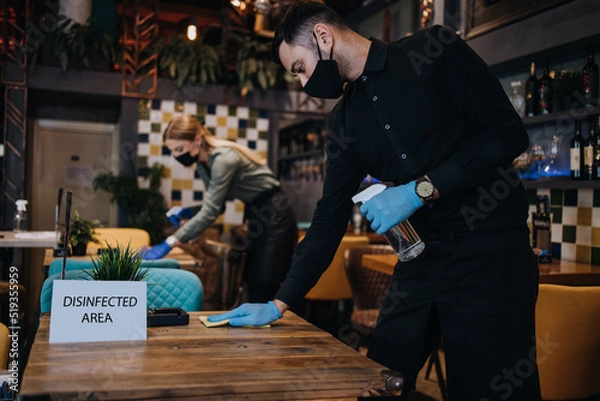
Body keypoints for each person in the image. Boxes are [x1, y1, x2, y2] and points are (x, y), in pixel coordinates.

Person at [208, 2, 541, 400]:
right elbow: (329, 216)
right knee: (379, 378)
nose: (302, 84)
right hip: (418, 260)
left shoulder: (432, 49)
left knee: (488, 389)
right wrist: (278, 303)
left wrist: (418, 190)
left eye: (299, 68)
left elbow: (506, 135)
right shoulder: (343, 123)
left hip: (490, 254)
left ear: (323, 37)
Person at [142, 114, 298, 303]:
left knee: (265, 283)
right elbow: (218, 206)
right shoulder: (203, 164)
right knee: (252, 279)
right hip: (256, 213)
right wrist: (189, 211)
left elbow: (211, 211)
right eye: (173, 151)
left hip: (275, 214)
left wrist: (170, 242)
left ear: (197, 140)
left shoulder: (223, 159)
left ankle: (274, 330)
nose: (177, 155)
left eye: (180, 149)